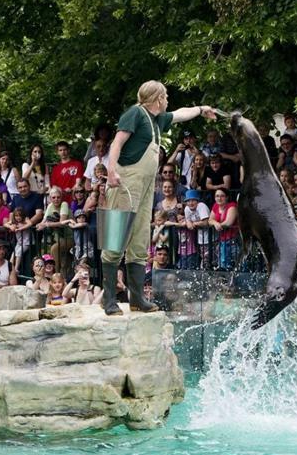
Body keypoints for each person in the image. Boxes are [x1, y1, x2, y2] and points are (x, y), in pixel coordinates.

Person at [102, 80, 215, 315]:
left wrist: (201, 109)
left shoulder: (157, 121)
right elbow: (117, 142)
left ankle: (136, 299)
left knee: (140, 241)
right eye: (165, 96)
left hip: (145, 188)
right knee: (114, 241)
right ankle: (109, 300)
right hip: (125, 182)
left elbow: (181, 114)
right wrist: (111, 171)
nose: (168, 100)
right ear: (157, 98)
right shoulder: (134, 113)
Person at [209, 187, 239, 271]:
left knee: (235, 265)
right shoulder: (215, 206)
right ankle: (225, 283)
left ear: (227, 197)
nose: (219, 198)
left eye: (222, 196)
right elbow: (210, 220)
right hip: (222, 240)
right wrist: (215, 223)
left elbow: (229, 222)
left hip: (233, 240)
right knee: (222, 265)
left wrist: (218, 225)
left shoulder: (232, 206)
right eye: (217, 196)